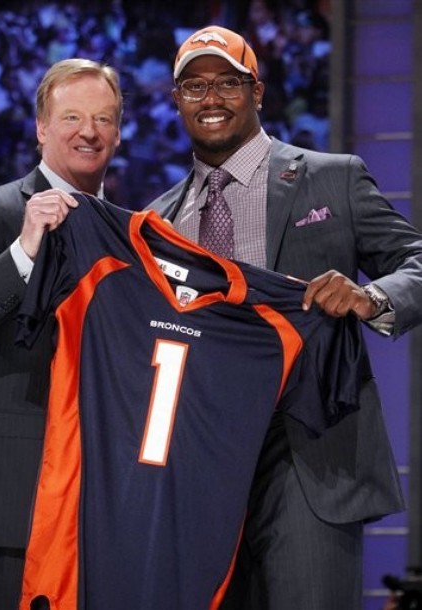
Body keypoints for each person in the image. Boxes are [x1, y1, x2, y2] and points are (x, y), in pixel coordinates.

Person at [147, 25, 422, 610]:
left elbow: (417, 262)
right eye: (194, 87)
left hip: (307, 456)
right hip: (197, 469)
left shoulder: (332, 176)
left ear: (257, 91)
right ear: (177, 101)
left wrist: (371, 297)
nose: (211, 98)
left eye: (228, 82)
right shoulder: (157, 222)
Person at [0, 57, 122, 610]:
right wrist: (24, 249)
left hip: (106, 501)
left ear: (118, 132)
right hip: (14, 499)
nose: (89, 132)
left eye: (103, 118)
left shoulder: (130, 235)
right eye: (71, 117)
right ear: (41, 128)